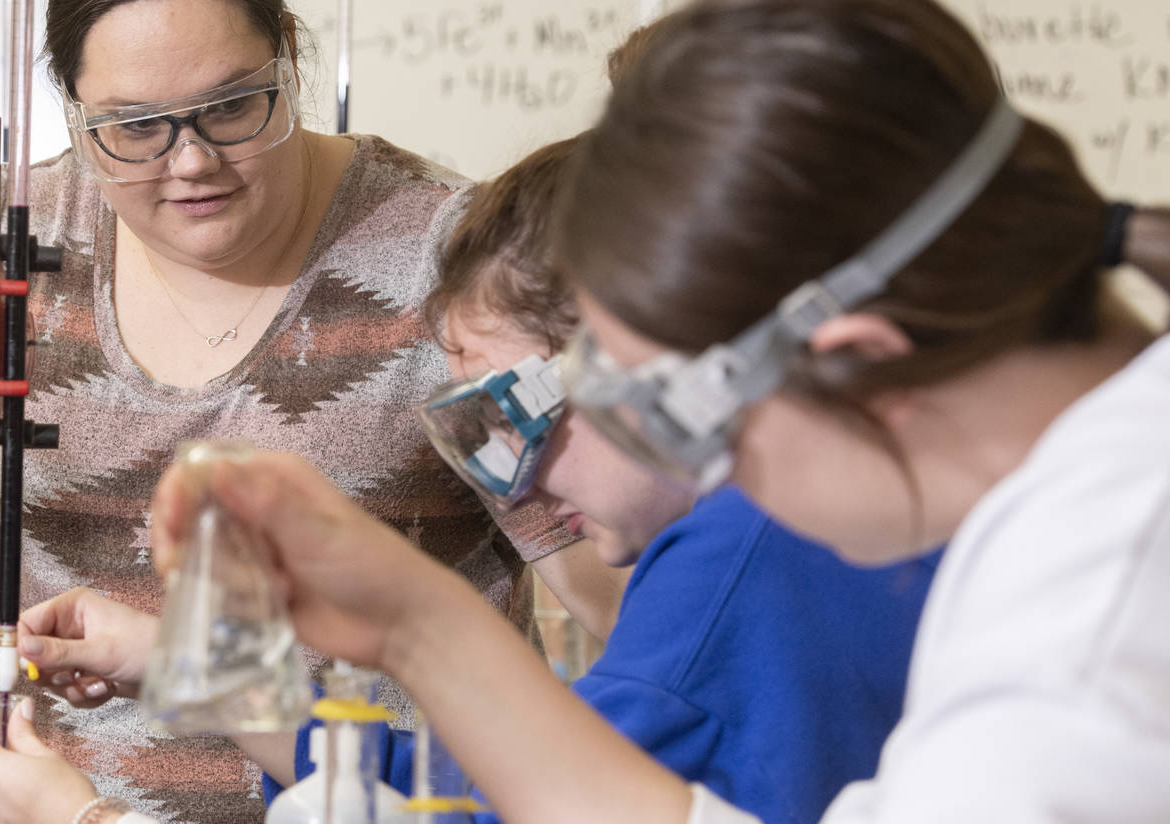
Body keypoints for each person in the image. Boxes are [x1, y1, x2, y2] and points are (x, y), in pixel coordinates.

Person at [131, 0, 1170, 822]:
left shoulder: (1094, 616)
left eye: (671, 418)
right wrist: (415, 622)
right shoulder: (1084, 499)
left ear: (857, 363)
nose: (721, 491)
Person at [0, 1, 624, 821]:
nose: (191, 161)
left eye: (232, 106)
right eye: (134, 127)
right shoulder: (10, 254)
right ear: (73, 106)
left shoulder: (450, 268)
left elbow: (619, 594)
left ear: (287, 49)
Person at [0, 135, 942, 824]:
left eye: (514, 414)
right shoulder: (759, 535)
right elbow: (490, 778)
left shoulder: (732, 574)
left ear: (649, 363)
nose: (510, 479)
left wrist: (74, 810)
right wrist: (198, 665)